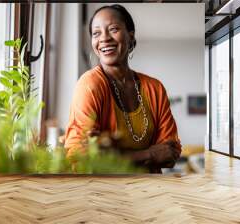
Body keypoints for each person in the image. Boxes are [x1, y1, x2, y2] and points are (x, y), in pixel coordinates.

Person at [64, 4, 181, 173]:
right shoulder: (90, 85)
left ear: (130, 36)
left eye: (113, 29)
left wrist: (113, 156)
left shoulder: (155, 88)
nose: (104, 38)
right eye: (96, 33)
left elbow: (170, 153)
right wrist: (149, 154)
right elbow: (79, 157)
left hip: (151, 192)